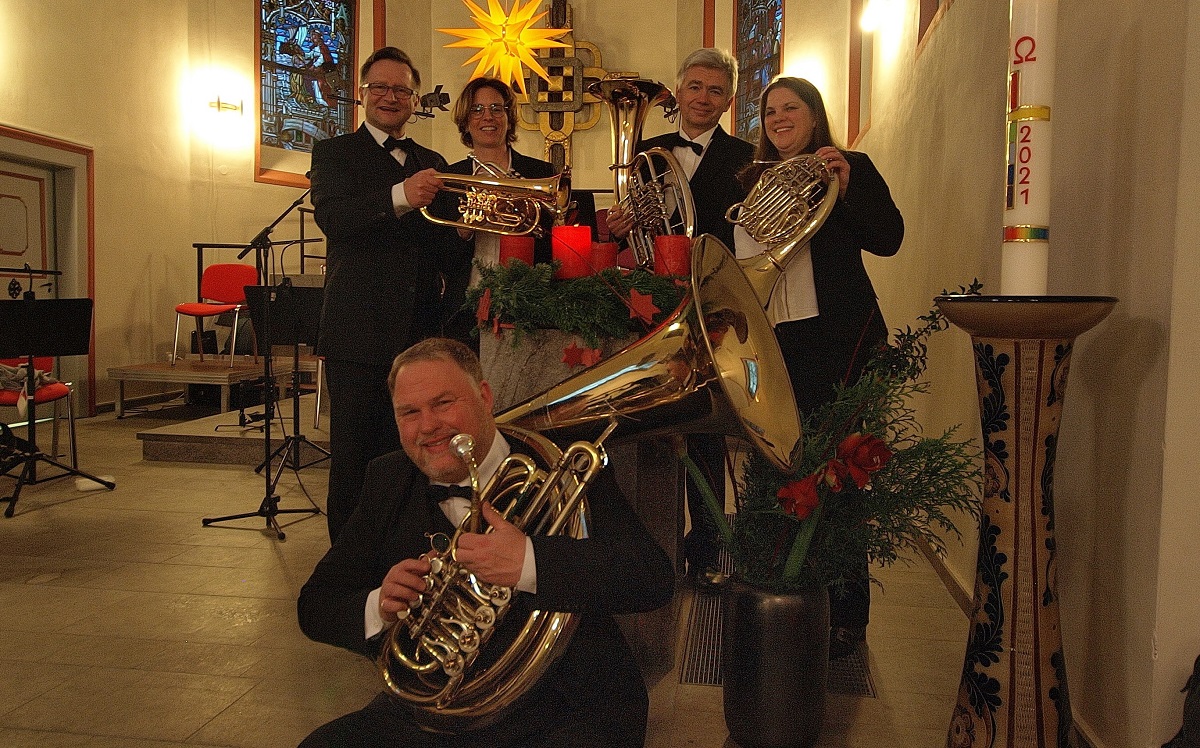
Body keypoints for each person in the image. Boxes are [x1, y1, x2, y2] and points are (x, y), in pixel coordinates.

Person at [296, 338, 675, 748]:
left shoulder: (561, 465)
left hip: (566, 704)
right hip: (436, 715)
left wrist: (529, 562)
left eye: (443, 403)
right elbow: (317, 605)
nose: (427, 427)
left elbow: (649, 576)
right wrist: (379, 605)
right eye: (409, 412)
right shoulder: (387, 477)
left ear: (484, 396)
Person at [736, 76, 904, 658]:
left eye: (791, 108)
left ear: (815, 117)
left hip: (838, 339)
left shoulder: (847, 165)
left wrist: (849, 184)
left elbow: (889, 238)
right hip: (774, 341)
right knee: (778, 467)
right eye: (770, 110)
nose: (779, 117)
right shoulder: (750, 180)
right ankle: (781, 597)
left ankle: (845, 616)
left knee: (841, 472)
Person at [606, 48, 756, 588]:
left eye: (715, 91)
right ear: (678, 92)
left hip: (710, 299)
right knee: (651, 420)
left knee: (706, 425)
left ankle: (709, 544)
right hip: (654, 299)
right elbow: (623, 235)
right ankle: (648, 544)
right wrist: (620, 226)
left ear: (728, 100)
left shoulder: (748, 157)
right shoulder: (646, 152)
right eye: (694, 86)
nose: (702, 97)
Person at [309, 47, 471, 542]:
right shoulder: (333, 153)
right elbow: (336, 220)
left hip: (417, 336)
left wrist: (463, 234)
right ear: (362, 95)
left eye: (401, 89)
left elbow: (441, 250)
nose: (390, 96)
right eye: (379, 87)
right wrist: (402, 196)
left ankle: (408, 554)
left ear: (414, 99)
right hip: (357, 334)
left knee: (417, 455)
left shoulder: (432, 161)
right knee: (354, 460)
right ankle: (349, 570)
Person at [429, 77, 560, 346]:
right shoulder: (449, 178)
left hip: (529, 309)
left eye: (496, 108)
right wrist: (463, 229)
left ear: (509, 118)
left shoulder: (540, 174)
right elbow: (439, 259)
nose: (487, 116)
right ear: (466, 121)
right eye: (477, 110)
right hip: (465, 311)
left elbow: (553, 248)